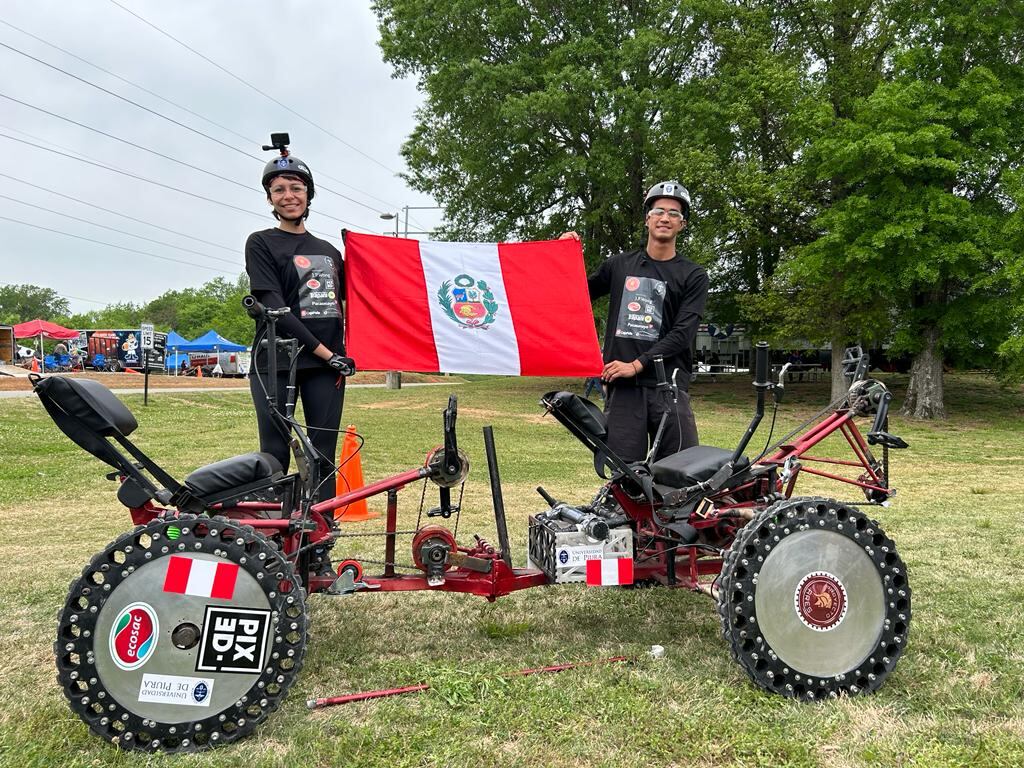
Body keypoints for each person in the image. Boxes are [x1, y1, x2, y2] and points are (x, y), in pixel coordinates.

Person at [562, 180, 709, 463]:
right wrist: (566, 257)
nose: (665, 218)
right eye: (659, 211)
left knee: (681, 474)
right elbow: (577, 296)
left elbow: (682, 333)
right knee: (625, 477)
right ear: (647, 219)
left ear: (682, 224)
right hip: (624, 390)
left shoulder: (693, 276)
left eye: (674, 214)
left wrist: (637, 365)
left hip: (669, 390)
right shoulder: (619, 265)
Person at [245, 139, 350, 506]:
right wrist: (324, 351)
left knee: (323, 451)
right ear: (270, 198)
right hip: (276, 361)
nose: (288, 195)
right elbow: (272, 302)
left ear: (309, 194)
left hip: (326, 367)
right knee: (275, 453)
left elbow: (357, 300)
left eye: (296, 188)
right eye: (279, 190)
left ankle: (321, 537)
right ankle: (276, 534)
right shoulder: (260, 243)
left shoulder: (329, 251)